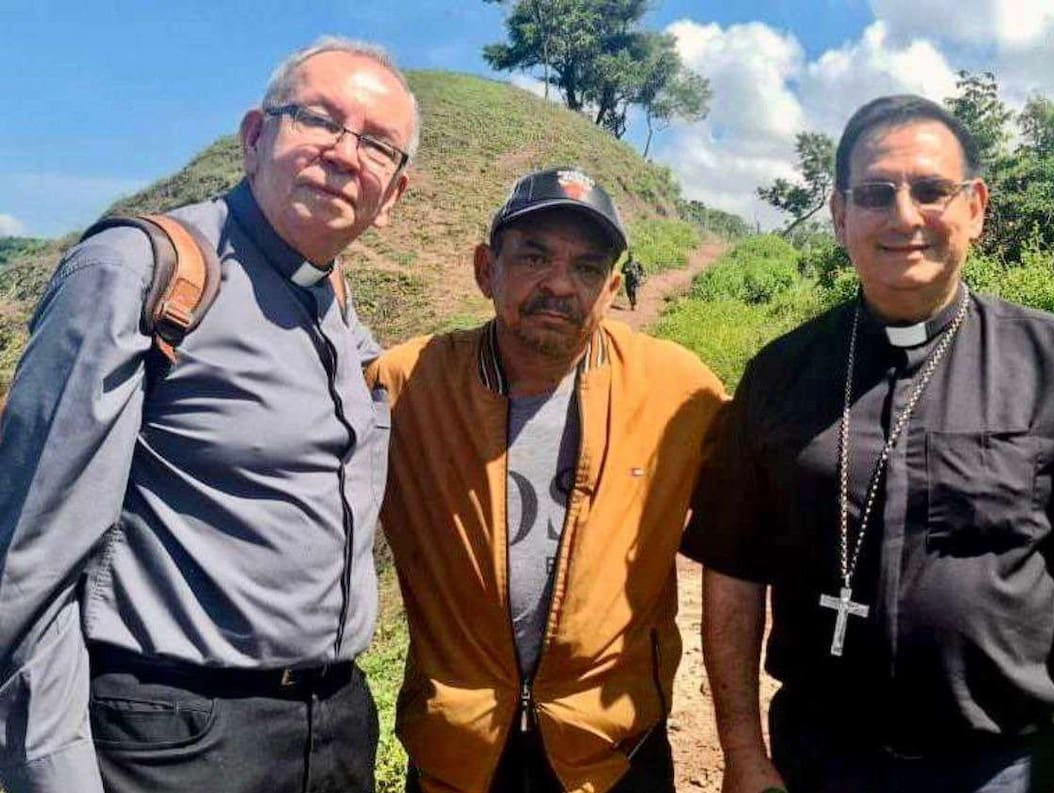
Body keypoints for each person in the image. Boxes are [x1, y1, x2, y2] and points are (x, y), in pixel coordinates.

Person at [683, 95, 1054, 793]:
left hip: (1003, 768)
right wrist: (742, 749)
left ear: (975, 207)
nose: (903, 216)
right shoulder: (780, 373)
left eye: (930, 190)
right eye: (875, 193)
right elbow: (733, 573)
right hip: (817, 762)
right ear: (838, 215)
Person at [0, 37, 420, 793]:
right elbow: (26, 561)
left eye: (377, 145)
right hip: (177, 740)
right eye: (318, 119)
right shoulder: (142, 272)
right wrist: (52, 774)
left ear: (392, 197)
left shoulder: (341, 314)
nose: (343, 153)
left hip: (332, 730)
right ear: (256, 135)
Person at [367, 167, 726, 793]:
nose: (560, 284)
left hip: (613, 750)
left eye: (587, 268)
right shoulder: (406, 386)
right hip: (458, 748)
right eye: (534, 257)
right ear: (487, 268)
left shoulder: (678, 389)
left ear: (611, 288)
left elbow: (763, 505)